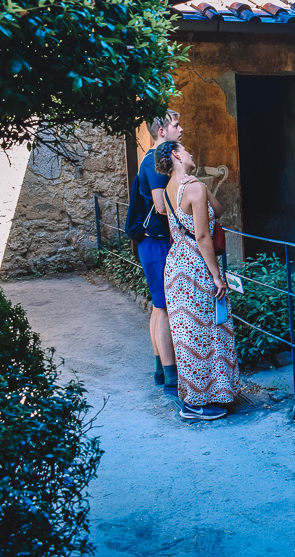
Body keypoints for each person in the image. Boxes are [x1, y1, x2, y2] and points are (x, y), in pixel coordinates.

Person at [155, 140, 239, 420]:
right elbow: (203, 237)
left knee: (189, 336)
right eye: (186, 148)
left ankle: (200, 397)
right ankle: (197, 404)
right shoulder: (192, 189)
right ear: (177, 155)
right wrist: (217, 276)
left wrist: (202, 185)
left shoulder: (173, 189)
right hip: (195, 268)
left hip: (175, 267)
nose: (191, 151)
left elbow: (218, 210)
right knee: (206, 333)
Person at [137, 111, 181, 395]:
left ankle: (159, 368)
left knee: (158, 306)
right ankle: (171, 375)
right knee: (163, 308)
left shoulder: (150, 159)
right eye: (176, 125)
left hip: (150, 242)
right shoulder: (155, 162)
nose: (181, 129)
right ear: (162, 131)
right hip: (157, 243)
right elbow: (162, 206)